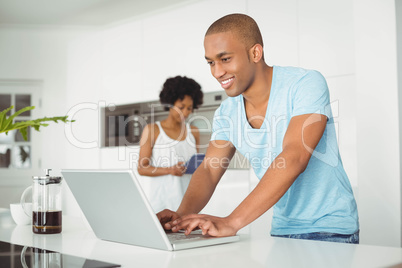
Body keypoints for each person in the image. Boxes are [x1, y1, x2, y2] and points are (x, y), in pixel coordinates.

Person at [157, 13, 359, 244]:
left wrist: (232, 221)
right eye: (211, 62)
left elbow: (295, 155)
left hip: (330, 228)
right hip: (282, 228)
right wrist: (180, 217)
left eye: (225, 59)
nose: (216, 72)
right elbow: (210, 169)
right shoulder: (226, 112)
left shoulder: (305, 83)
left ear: (255, 53)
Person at [137, 76, 203, 213]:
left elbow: (197, 168)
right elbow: (142, 168)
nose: (185, 112)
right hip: (162, 204)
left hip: (189, 206)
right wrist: (169, 170)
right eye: (181, 107)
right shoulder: (152, 130)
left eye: (190, 108)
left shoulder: (194, 132)